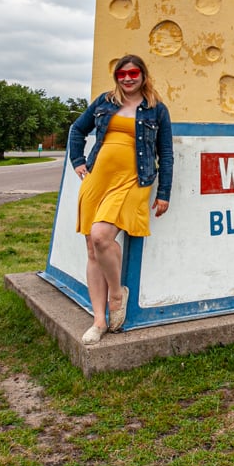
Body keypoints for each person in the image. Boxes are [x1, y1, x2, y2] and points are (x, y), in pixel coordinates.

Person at [66, 54, 173, 344]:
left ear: (143, 75)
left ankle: (116, 294)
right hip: (98, 179)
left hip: (133, 180)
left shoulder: (156, 110)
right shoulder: (104, 102)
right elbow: (77, 129)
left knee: (101, 236)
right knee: (91, 248)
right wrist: (77, 160)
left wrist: (164, 193)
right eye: (121, 74)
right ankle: (99, 320)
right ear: (116, 77)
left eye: (133, 73)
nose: (127, 78)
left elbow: (166, 153)